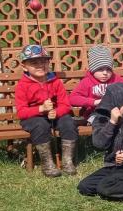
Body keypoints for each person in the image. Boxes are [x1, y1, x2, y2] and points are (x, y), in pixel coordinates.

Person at [14, 44, 78, 177]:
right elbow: (21, 112)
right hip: (33, 118)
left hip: (54, 114)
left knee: (68, 122)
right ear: (24, 66)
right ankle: (47, 163)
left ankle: (67, 161)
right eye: (34, 63)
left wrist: (57, 112)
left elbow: (65, 105)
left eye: (43, 61)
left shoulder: (55, 82)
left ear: (49, 63)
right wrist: (41, 109)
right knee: (40, 125)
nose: (40, 66)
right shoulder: (22, 86)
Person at [70, 44, 123, 121]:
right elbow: (72, 98)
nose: (105, 73)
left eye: (108, 69)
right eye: (100, 69)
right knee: (101, 121)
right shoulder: (86, 82)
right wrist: (94, 102)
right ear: (93, 70)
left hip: (117, 112)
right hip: (95, 112)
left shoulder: (116, 79)